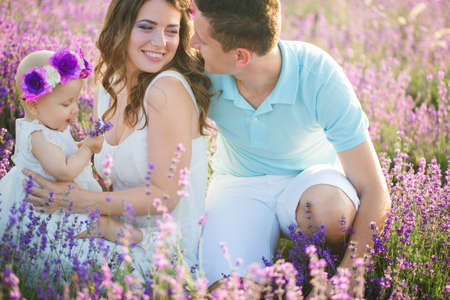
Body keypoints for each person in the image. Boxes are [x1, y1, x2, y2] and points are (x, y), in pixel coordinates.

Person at [189, 0, 391, 287]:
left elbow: (375, 190)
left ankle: (315, 260)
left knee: (331, 213)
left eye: (203, 39)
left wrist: (347, 279)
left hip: (310, 180)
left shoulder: (317, 73)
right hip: (238, 184)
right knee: (227, 288)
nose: (192, 43)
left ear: (240, 57)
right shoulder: (200, 71)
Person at [23, 0, 211, 275]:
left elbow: (164, 197)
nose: (160, 42)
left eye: (172, 31)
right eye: (146, 27)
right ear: (119, 27)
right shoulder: (109, 85)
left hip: (167, 251)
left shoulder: (166, 90)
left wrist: (78, 201)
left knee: (46, 260)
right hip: (119, 231)